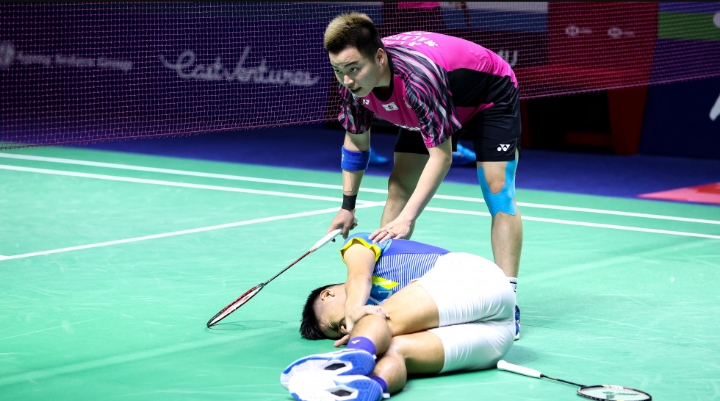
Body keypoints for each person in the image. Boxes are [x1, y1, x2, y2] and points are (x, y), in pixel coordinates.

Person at [323, 12, 523, 338]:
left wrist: (407, 218)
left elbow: (441, 157)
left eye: (354, 69)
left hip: (488, 94)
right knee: (398, 185)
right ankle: (384, 288)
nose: (346, 80)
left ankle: (506, 300)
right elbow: (356, 142)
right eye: (337, 70)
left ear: (379, 57)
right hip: (434, 102)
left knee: (497, 187)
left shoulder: (418, 79)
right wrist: (348, 206)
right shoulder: (352, 85)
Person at [280, 232, 515, 401]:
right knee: (395, 351)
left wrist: (353, 310)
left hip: (473, 277)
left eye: (335, 324)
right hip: (498, 337)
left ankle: (354, 354)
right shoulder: (383, 325)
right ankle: (369, 387)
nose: (343, 329)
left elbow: (359, 276)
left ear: (327, 294)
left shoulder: (358, 244)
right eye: (338, 332)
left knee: (375, 315)